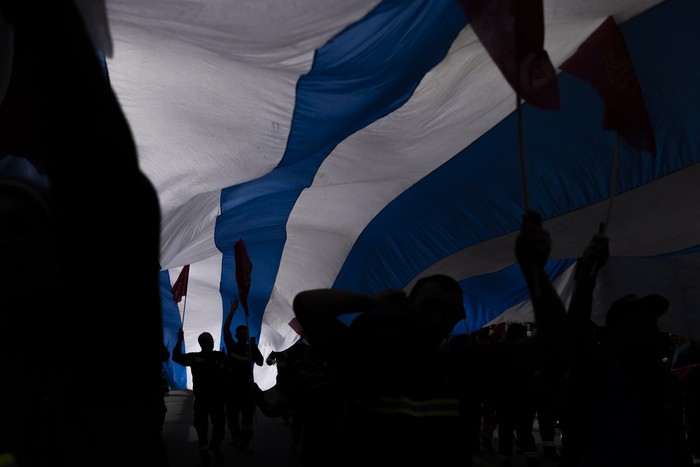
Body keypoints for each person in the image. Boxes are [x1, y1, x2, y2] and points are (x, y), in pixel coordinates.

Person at [0, 2, 166, 466]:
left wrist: (43, 17)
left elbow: (106, 179)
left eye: (18, 226)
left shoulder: (101, 347)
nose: (5, 243)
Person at [293, 210, 571, 466]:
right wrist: (372, 302)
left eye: (448, 312)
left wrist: (534, 272)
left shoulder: (463, 368)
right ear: (407, 306)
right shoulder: (364, 357)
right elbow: (307, 305)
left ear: (456, 320)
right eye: (429, 306)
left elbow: (553, 342)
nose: (437, 318)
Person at [562, 228, 693, 467]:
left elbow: (677, 441)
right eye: (639, 320)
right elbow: (577, 327)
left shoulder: (665, 381)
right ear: (614, 332)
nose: (651, 327)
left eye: (652, 320)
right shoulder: (600, 367)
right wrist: (588, 274)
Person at [172, 328, 228, 466]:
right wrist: (179, 340)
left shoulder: (219, 356)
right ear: (202, 343)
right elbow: (176, 357)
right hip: (204, 400)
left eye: (209, 341)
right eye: (207, 341)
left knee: (217, 427)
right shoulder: (198, 357)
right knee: (203, 427)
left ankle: (213, 447)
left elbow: (176, 356)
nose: (209, 343)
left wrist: (179, 340)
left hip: (214, 399)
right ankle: (204, 452)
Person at [222, 299, 264, 452]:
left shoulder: (250, 348)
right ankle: (235, 437)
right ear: (236, 335)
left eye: (246, 333)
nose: (244, 335)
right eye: (241, 333)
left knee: (247, 419)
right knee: (232, 419)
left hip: (247, 390)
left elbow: (260, 362)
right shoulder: (232, 346)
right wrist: (232, 310)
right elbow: (225, 330)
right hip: (232, 389)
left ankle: (245, 443)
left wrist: (254, 348)